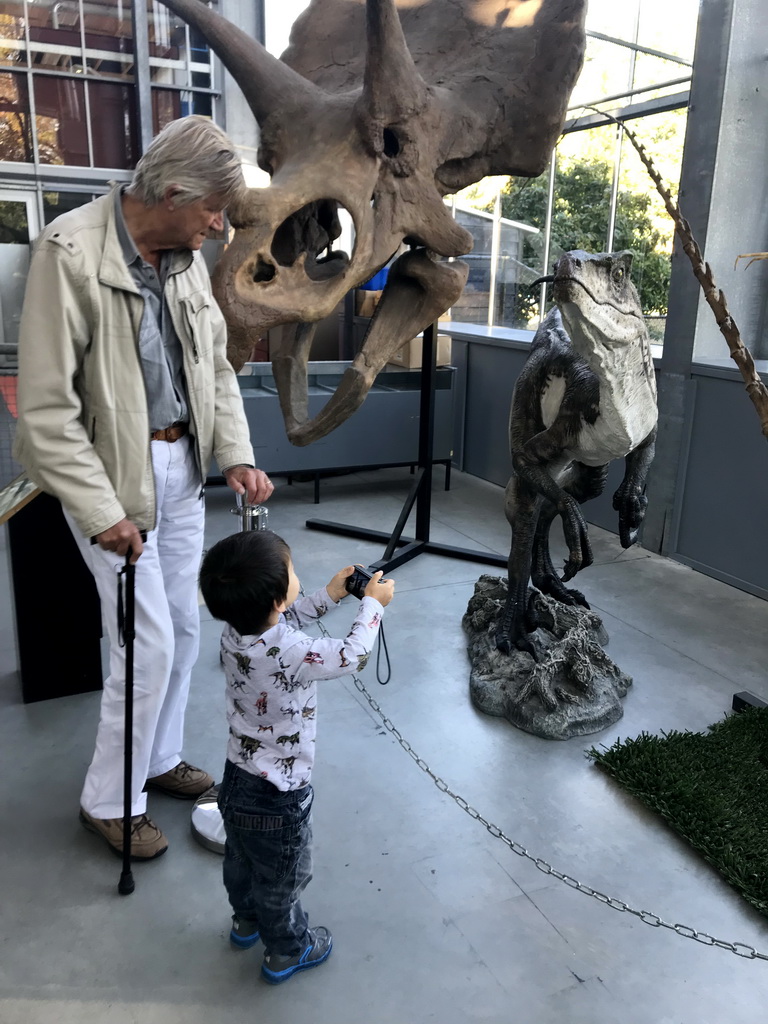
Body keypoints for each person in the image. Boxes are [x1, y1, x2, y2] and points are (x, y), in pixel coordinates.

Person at [14, 116, 273, 860]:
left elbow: (214, 370)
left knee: (186, 629)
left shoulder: (184, 261)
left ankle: (157, 761)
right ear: (172, 191)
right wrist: (100, 513)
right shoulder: (68, 251)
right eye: (213, 211)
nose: (219, 227)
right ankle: (109, 800)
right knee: (146, 644)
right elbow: (45, 412)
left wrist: (235, 454)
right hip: (112, 482)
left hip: (183, 472)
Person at [198, 530, 395, 984]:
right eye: (291, 573)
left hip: (237, 775)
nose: (296, 578)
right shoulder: (289, 652)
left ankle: (244, 923)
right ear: (274, 596)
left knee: (241, 861)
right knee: (283, 878)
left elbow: (283, 621)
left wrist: (329, 595)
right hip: (278, 793)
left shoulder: (236, 630)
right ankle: (288, 949)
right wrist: (373, 605)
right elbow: (348, 655)